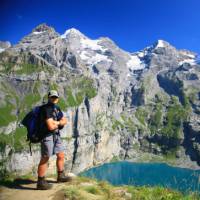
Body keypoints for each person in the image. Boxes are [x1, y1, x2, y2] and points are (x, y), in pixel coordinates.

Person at [37, 90, 70, 190]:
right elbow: (50, 126)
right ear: (49, 97)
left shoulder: (57, 108)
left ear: (58, 98)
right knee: (45, 157)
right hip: (47, 136)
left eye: (56, 97)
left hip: (56, 135)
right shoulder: (45, 109)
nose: (54, 99)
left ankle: (61, 176)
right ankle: (41, 182)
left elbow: (65, 120)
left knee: (60, 155)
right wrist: (59, 122)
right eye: (52, 97)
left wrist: (57, 122)